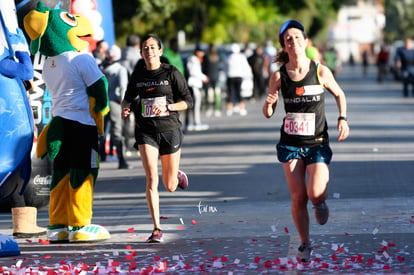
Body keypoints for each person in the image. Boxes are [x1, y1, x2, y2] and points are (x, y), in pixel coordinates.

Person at [262, 19, 349, 262]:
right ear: (284, 46)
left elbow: (339, 94)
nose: (294, 41)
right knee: (298, 197)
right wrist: (268, 104)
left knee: (315, 193)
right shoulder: (278, 77)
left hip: (317, 142)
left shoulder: (320, 71)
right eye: (288, 39)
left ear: (305, 42)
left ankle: (320, 202)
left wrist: (343, 118)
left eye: (297, 37)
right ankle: (305, 242)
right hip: (290, 143)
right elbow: (268, 113)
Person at [121, 34, 193, 243]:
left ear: (160, 51)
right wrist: (126, 110)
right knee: (151, 178)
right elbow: (127, 99)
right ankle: (156, 228)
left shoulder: (171, 73)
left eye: (153, 47)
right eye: (145, 47)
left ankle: (176, 174)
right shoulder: (138, 74)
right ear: (141, 52)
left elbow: (188, 101)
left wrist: (169, 107)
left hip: (170, 129)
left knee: (169, 185)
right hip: (146, 131)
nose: (149, 51)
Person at [101, 45, 130, 169]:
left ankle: (100, 157)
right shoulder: (120, 69)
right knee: (117, 132)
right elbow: (123, 87)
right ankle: (121, 160)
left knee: (101, 131)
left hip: (101, 102)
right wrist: (123, 102)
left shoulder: (101, 67)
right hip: (114, 103)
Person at [186, 47, 209, 131]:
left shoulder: (195, 59)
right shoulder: (193, 59)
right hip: (193, 84)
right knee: (195, 104)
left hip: (195, 84)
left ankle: (195, 122)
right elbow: (194, 72)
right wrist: (204, 77)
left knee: (196, 104)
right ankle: (195, 122)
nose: (203, 53)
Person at [225, 43, 252, 116]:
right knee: (239, 92)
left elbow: (226, 68)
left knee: (230, 93)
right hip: (239, 77)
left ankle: (229, 109)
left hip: (230, 76)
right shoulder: (241, 57)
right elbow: (246, 67)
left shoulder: (229, 57)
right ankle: (242, 109)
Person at [203, 43, 222, 117]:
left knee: (207, 93)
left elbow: (204, 67)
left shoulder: (206, 56)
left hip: (208, 77)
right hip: (216, 76)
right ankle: (217, 109)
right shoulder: (217, 56)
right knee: (216, 93)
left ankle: (208, 108)